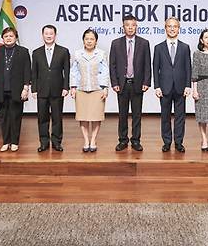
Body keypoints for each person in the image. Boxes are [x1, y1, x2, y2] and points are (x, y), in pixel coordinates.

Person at [109, 14, 151, 152]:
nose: (130, 28)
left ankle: (136, 140)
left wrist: (146, 81)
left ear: (136, 27)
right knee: (122, 114)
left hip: (137, 83)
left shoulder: (144, 43)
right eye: (128, 25)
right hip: (122, 84)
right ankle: (122, 140)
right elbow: (112, 65)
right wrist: (114, 82)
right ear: (123, 27)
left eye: (133, 25)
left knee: (137, 114)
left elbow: (147, 65)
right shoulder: (115, 43)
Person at [0, 27, 31, 153]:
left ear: (16, 37)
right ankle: (6, 142)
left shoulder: (23, 51)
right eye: (6, 36)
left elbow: (27, 71)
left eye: (11, 36)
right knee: (4, 117)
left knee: (16, 116)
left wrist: (26, 88)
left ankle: (15, 142)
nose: (8, 38)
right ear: (3, 38)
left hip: (17, 90)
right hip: (1, 89)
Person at [153, 17, 192, 153]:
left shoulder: (185, 47)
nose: (172, 28)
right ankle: (167, 142)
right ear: (165, 28)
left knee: (180, 117)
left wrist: (188, 85)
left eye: (175, 26)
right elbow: (155, 68)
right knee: (165, 116)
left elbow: (188, 68)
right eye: (169, 26)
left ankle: (179, 142)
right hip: (164, 87)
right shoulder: (158, 48)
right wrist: (157, 86)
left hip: (181, 87)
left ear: (179, 29)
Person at [31, 25, 70, 152]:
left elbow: (67, 72)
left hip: (57, 89)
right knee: (42, 117)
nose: (48, 36)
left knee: (57, 117)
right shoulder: (36, 52)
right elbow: (34, 73)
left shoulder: (63, 51)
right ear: (42, 35)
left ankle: (57, 142)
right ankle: (44, 142)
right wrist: (34, 89)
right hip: (41, 90)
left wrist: (66, 87)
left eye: (51, 33)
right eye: (46, 33)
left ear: (55, 35)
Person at [70, 29, 109, 153]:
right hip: (81, 89)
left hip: (97, 89)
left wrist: (105, 88)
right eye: (87, 39)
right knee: (83, 117)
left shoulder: (101, 54)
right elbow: (74, 72)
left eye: (92, 39)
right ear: (83, 40)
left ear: (96, 41)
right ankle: (86, 140)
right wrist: (73, 87)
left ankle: (93, 140)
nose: (89, 41)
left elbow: (105, 71)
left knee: (96, 116)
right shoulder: (77, 54)